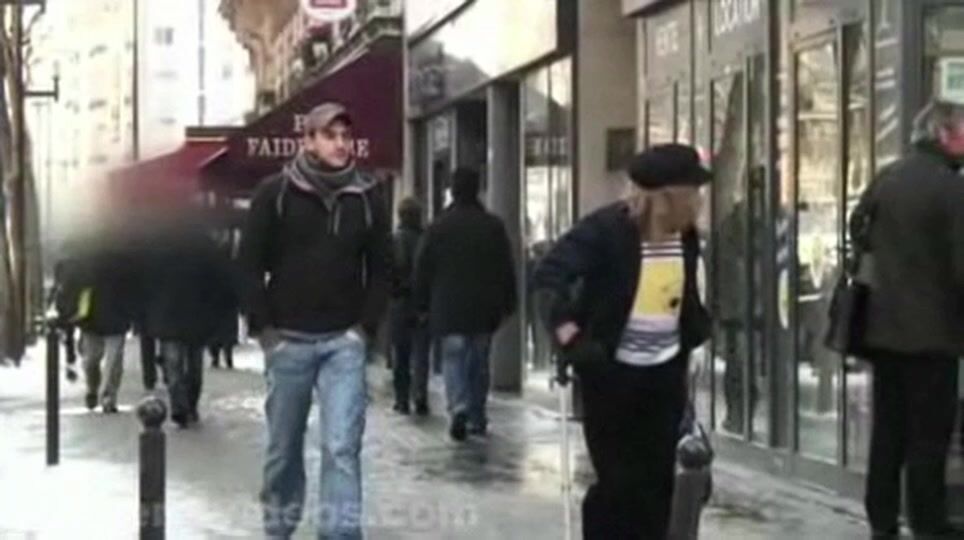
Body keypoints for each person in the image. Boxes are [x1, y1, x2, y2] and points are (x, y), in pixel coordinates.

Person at [531, 143, 711, 539]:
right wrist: (571, 339)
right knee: (619, 487)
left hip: (664, 377)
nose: (699, 202)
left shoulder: (686, 237)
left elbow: (683, 294)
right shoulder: (606, 232)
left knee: (661, 485)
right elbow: (547, 278)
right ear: (668, 196)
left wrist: (695, 327)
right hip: (611, 376)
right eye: (693, 192)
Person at [239, 102, 390, 539]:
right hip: (288, 340)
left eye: (345, 136)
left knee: (341, 447)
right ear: (308, 141)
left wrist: (364, 329)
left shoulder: (367, 195)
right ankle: (279, 528)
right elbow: (248, 264)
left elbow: (382, 269)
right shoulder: (275, 193)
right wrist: (265, 331)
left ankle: (339, 534)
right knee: (283, 449)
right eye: (329, 135)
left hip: (343, 343)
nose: (340, 144)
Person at [854, 101, 964, 539]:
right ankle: (927, 521)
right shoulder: (951, 189)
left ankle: (882, 521)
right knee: (929, 437)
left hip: (883, 329)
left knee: (888, 432)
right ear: (944, 135)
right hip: (934, 333)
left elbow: (857, 229)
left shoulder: (888, 178)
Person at [413, 167, 517, 441]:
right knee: (479, 362)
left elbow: (422, 269)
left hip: (448, 308)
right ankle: (477, 414)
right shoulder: (492, 226)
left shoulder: (438, 227)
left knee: (453, 359)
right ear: (477, 189)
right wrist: (509, 302)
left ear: (452, 191)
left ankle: (458, 406)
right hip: (483, 308)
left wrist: (421, 304)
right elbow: (505, 267)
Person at [74, 238, 135, 413]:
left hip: (110, 317)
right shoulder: (86, 258)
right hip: (96, 318)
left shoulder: (124, 260)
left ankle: (108, 397)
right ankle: (94, 389)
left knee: (110, 361)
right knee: (93, 360)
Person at [390, 197, 430, 415]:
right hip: (423, 302)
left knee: (401, 353)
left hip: (400, 302)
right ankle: (420, 395)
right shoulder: (426, 239)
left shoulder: (394, 240)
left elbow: (390, 271)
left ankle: (402, 399)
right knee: (421, 352)